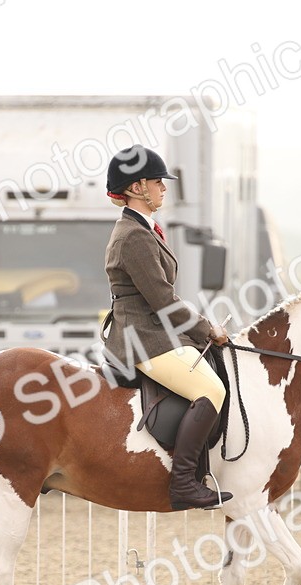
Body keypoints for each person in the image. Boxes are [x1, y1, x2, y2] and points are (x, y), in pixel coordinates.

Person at [101, 145, 231, 510]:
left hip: (155, 333)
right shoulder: (133, 236)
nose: (163, 188)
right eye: (158, 182)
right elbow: (162, 300)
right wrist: (208, 331)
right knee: (210, 390)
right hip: (142, 339)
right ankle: (184, 483)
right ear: (138, 186)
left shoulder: (144, 230)